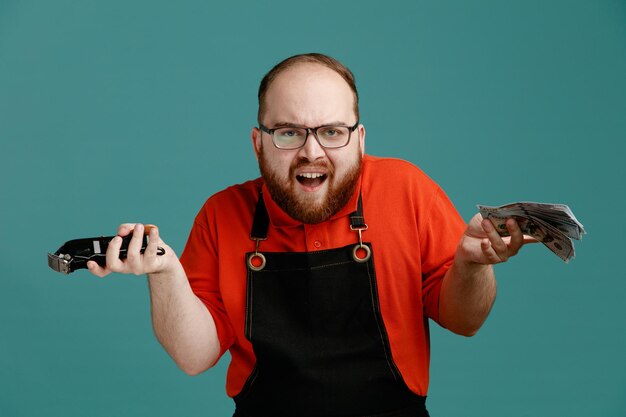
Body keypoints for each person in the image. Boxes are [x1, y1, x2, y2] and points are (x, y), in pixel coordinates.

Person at [87, 53, 532, 417]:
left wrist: (472, 267)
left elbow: (465, 321)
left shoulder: (408, 190)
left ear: (359, 139)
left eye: (332, 132)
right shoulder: (222, 213)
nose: (311, 151)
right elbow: (193, 355)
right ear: (258, 143)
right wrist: (165, 272)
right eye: (289, 133)